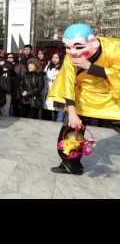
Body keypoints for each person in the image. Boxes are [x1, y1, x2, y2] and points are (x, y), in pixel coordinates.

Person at [48, 23, 120, 175]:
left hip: (113, 97)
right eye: (67, 47)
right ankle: (71, 165)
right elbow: (67, 83)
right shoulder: (70, 57)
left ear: (93, 41)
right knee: (70, 132)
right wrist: (72, 113)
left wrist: (90, 67)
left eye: (78, 47)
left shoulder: (115, 47)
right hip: (84, 97)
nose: (72, 52)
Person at [43, 52, 64, 121]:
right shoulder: (49, 67)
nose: (54, 59)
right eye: (53, 57)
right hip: (48, 91)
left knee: (57, 112)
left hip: (58, 93)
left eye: (56, 58)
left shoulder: (63, 68)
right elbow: (44, 77)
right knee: (48, 110)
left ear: (60, 59)